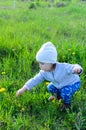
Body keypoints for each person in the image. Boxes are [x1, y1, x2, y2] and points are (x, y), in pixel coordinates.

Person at [16, 42, 83, 111]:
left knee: (65, 91)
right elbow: (34, 80)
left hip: (72, 83)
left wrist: (77, 69)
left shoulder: (63, 67)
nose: (40, 66)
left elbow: (74, 66)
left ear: (51, 62)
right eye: (39, 63)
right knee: (50, 87)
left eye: (42, 63)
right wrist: (23, 89)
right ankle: (57, 96)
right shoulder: (44, 73)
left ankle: (66, 104)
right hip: (59, 85)